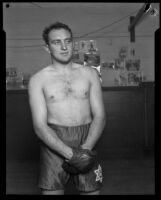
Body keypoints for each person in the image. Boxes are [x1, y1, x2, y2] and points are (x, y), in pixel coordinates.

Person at [28, 22, 106, 195]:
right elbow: (40, 126)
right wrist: (70, 154)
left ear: (72, 43)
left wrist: (85, 150)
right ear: (47, 48)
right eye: (56, 42)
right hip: (54, 141)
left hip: (87, 139)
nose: (64, 47)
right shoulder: (37, 80)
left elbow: (100, 116)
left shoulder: (90, 74)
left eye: (67, 41)